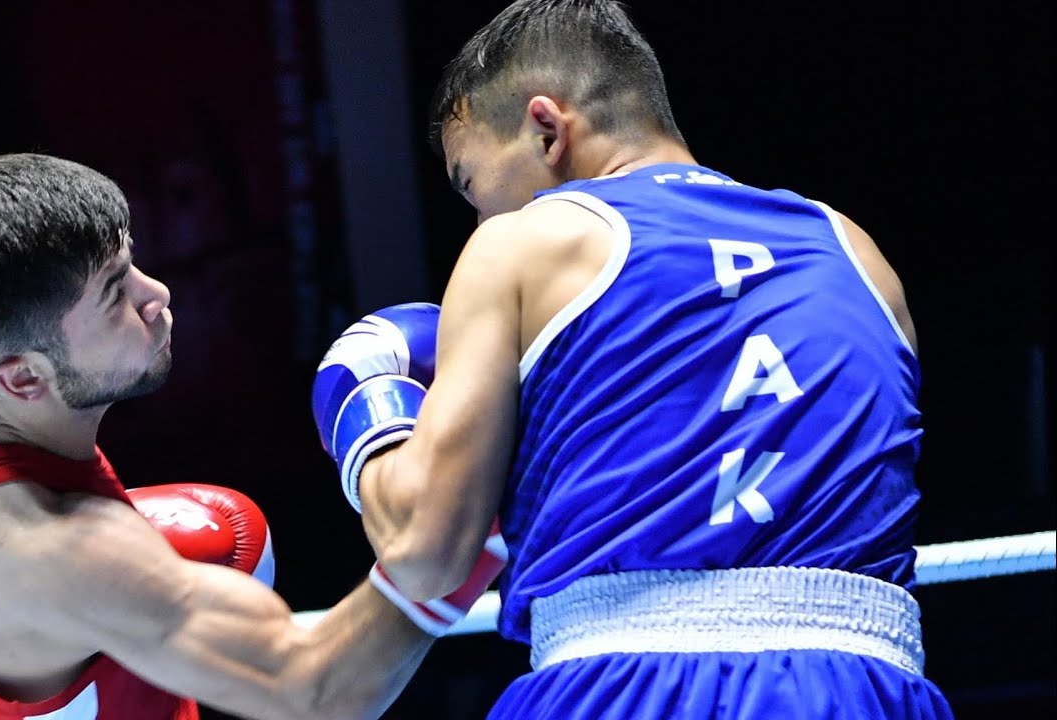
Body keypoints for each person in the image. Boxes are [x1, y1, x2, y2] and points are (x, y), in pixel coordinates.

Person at [311, 1, 954, 717]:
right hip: (865, 690)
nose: (483, 220)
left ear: (547, 129)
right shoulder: (856, 253)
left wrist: (369, 415)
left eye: (473, 185)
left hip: (620, 686)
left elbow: (426, 552)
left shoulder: (524, 243)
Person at [0, 153, 499, 720]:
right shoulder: (66, 554)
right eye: (113, 294)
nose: (157, 295)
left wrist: (15, 626)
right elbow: (316, 692)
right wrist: (462, 545)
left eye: (132, 265)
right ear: (22, 380)